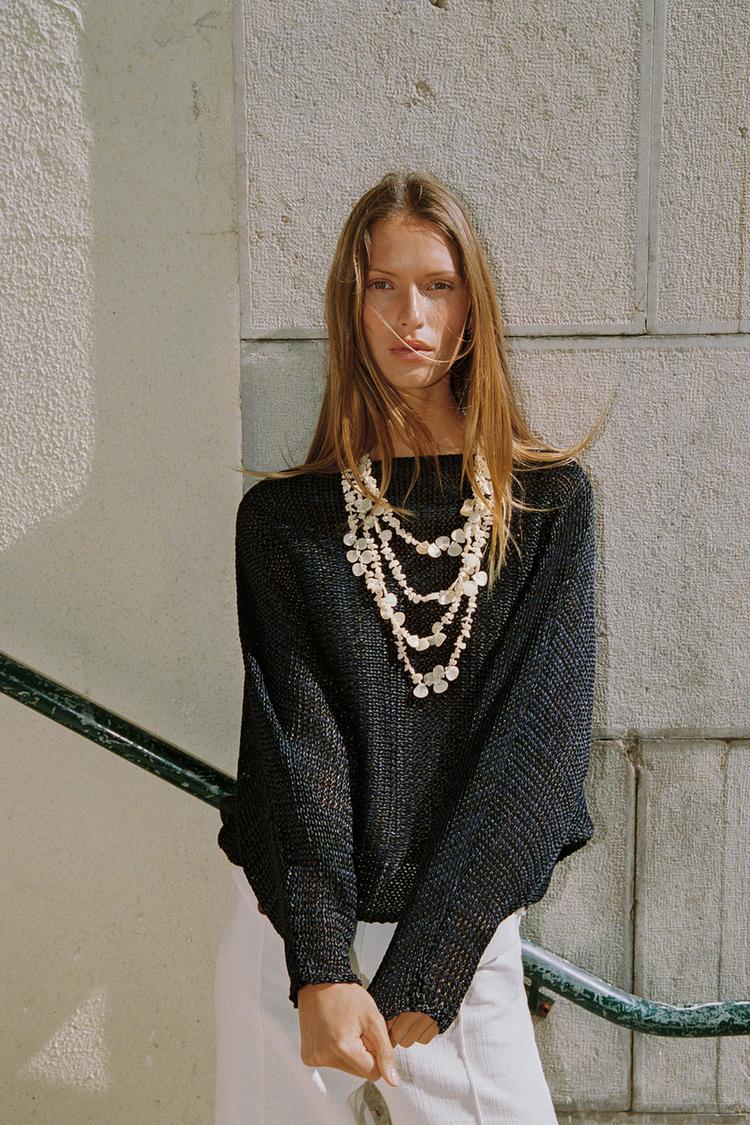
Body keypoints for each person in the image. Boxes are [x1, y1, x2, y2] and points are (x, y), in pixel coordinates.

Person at [214, 170, 606, 1124]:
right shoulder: (286, 522)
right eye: (382, 285)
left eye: (437, 284)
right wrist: (320, 964)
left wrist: (428, 971)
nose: (410, 315)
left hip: (459, 940)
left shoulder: (547, 508)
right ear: (351, 307)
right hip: (294, 941)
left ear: (473, 304)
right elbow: (295, 744)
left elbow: (536, 754)